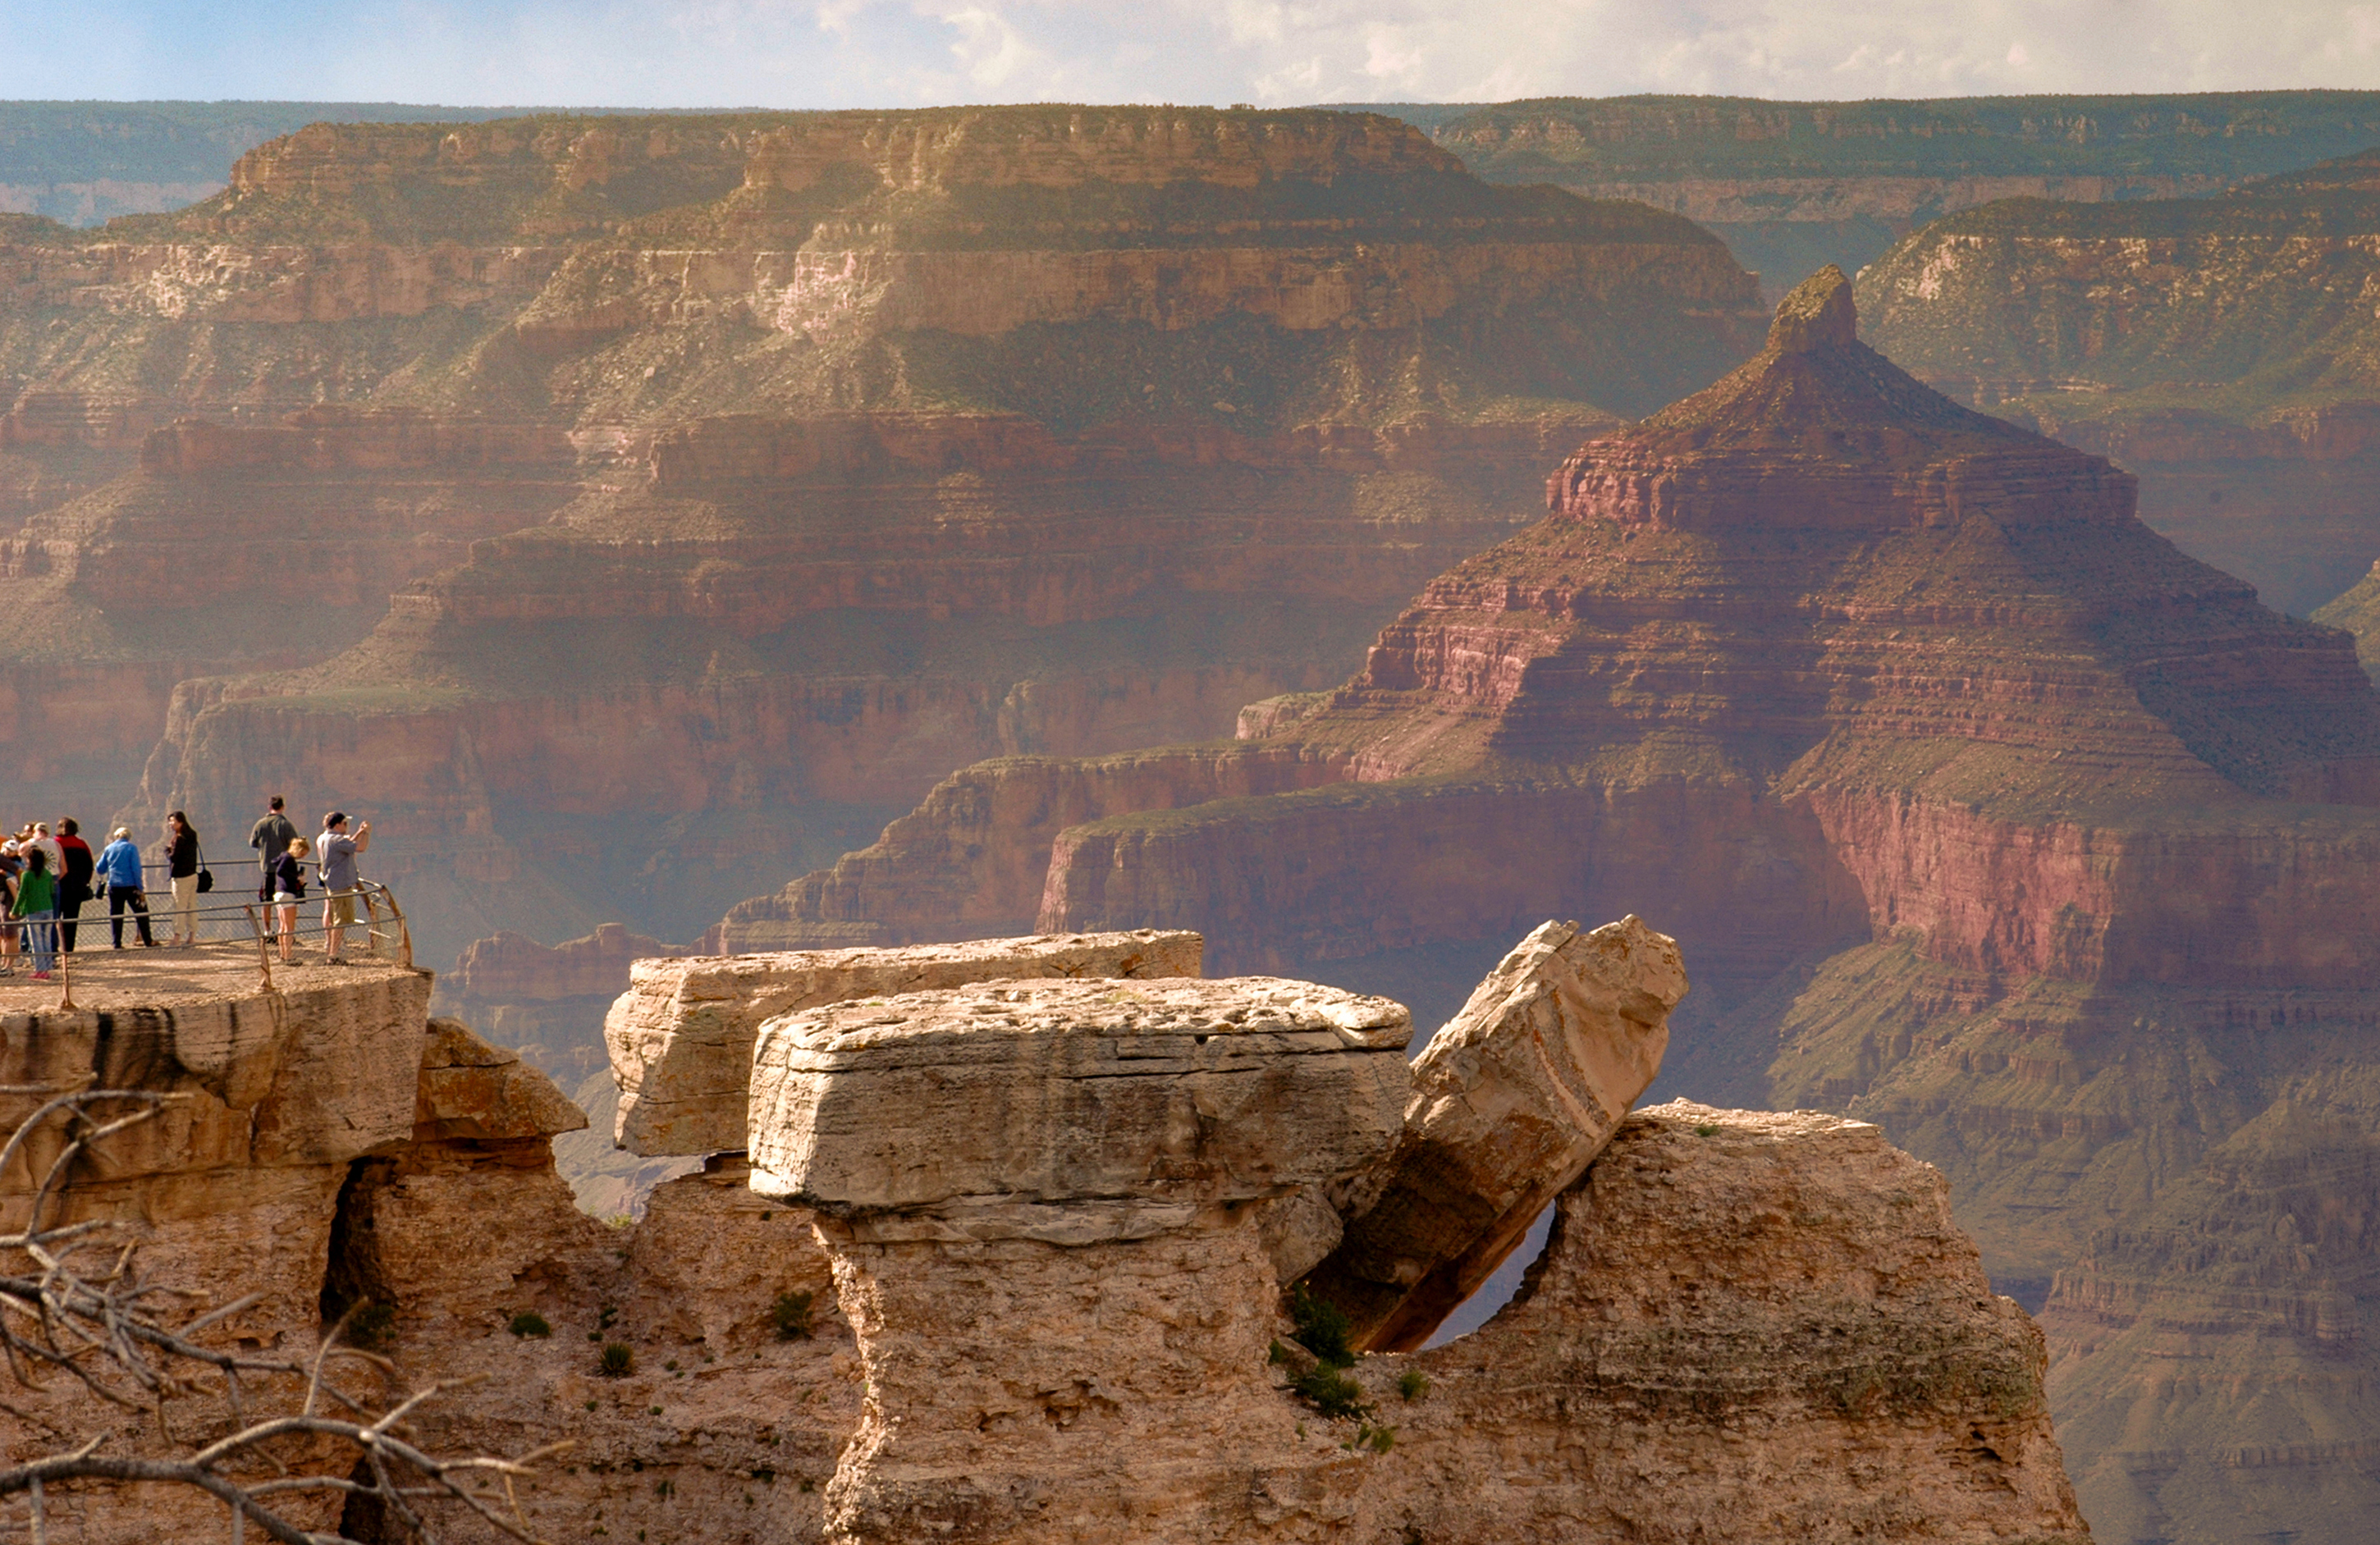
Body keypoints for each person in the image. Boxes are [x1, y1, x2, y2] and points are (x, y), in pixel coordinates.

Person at [315, 811, 370, 964]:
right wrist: (366, 832)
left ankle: (332, 950)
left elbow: (348, 846)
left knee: (333, 918)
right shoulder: (336, 840)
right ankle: (334, 955)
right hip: (341, 885)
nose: (347, 826)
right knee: (340, 922)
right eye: (345, 823)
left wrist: (359, 832)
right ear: (338, 824)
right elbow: (360, 848)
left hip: (330, 883)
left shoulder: (324, 838)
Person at [96, 826, 154, 948]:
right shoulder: (131, 848)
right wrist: (140, 888)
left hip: (114, 886)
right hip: (131, 886)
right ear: (128, 837)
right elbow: (136, 869)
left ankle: (117, 943)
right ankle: (148, 941)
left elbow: (100, 868)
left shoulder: (109, 848)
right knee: (141, 912)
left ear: (116, 836)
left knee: (116, 915)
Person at [11, 847, 56, 980]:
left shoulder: (27, 875)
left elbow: (22, 894)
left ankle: (40, 970)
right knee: (46, 939)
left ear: (30, 860)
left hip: (34, 910)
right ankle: (47, 967)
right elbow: (51, 890)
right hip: (48, 909)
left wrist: (15, 910)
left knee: (36, 941)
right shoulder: (47, 874)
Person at [53, 819, 93, 955]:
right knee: (71, 919)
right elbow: (89, 866)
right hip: (77, 888)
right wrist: (85, 882)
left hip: (57, 886)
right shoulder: (81, 844)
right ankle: (68, 949)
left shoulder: (54, 843)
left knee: (54, 918)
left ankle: (53, 947)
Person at [270, 837, 309, 965]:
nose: (302, 857)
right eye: (302, 854)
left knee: (282, 927)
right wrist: (297, 878)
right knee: (289, 928)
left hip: (279, 893)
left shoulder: (283, 857)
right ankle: (289, 956)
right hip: (287, 894)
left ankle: (283, 954)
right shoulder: (289, 859)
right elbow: (282, 871)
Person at [164, 811, 201, 947]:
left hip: (181, 878)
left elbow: (174, 857)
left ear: (181, 822)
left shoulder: (180, 838)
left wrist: (167, 851)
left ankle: (177, 938)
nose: (171, 824)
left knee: (179, 908)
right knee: (192, 907)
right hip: (192, 875)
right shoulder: (193, 835)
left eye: (173, 821)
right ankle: (192, 936)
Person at [249, 797, 298, 895]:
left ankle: (266, 911)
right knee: (284, 896)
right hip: (284, 868)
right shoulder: (286, 825)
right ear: (283, 807)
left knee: (267, 898)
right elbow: (295, 845)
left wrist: (265, 847)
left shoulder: (260, 824)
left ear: (269, 807)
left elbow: (253, 843)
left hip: (267, 866)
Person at [0, 840, 19, 975]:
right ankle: (4, 965)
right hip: (2, 899)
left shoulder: (7, 861)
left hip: (9, 899)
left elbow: (19, 872)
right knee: (3, 934)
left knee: (10, 933)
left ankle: (9, 966)